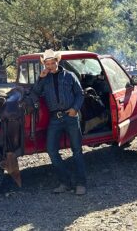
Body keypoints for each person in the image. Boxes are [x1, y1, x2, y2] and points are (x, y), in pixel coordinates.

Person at [33, 49, 87, 195]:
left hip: (70, 116)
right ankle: (66, 182)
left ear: (58, 61)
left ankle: (81, 183)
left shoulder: (70, 76)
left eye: (52, 62)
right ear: (45, 64)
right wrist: (40, 78)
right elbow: (34, 94)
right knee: (51, 150)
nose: (50, 66)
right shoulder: (45, 78)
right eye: (47, 63)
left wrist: (75, 109)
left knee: (76, 150)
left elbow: (80, 94)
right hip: (55, 119)